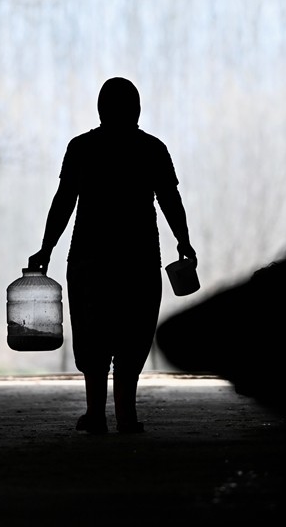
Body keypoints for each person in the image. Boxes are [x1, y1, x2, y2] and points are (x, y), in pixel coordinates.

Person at [27, 77, 197, 435]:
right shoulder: (152, 149)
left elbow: (63, 203)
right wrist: (183, 241)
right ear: (136, 109)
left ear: (101, 109)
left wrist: (47, 248)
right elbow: (170, 201)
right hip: (139, 259)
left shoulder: (81, 148)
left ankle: (95, 415)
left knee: (93, 337)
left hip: (89, 259)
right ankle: (127, 416)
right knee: (134, 335)